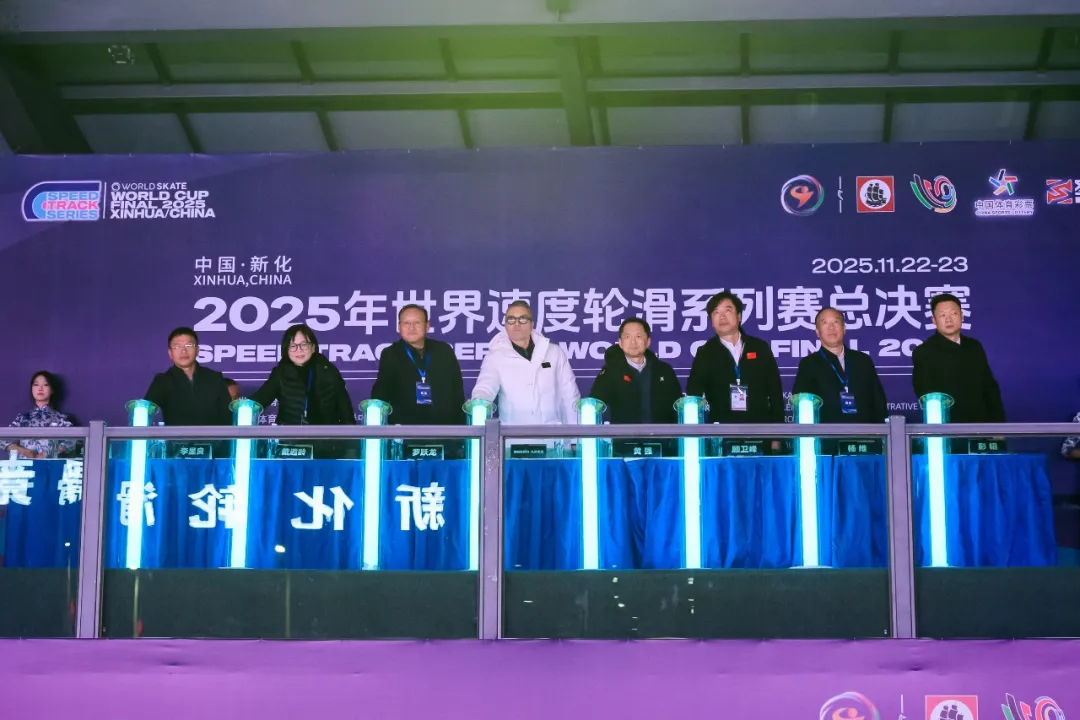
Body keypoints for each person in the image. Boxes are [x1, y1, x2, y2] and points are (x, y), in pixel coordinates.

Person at [471, 300, 580, 425]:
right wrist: (479, 403)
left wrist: (575, 434)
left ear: (532, 324)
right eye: (511, 319)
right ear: (505, 325)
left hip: (552, 433)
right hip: (511, 434)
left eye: (522, 319)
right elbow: (485, 389)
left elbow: (570, 396)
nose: (516, 324)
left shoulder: (554, 352)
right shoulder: (495, 357)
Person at [686, 291, 784, 424]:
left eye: (727, 310)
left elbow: (775, 392)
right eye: (716, 313)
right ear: (712, 323)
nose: (722, 317)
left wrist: (778, 432)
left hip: (760, 427)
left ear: (739, 316)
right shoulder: (705, 353)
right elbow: (693, 395)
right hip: (721, 428)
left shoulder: (760, 348)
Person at [912, 293, 1005, 423]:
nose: (948, 320)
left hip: (981, 424)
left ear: (962, 316)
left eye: (953, 313)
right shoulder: (924, 352)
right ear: (934, 321)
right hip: (947, 426)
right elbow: (927, 395)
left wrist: (998, 425)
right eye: (942, 315)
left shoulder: (974, 347)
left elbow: (990, 388)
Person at [371, 304, 466, 425]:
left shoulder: (444, 351)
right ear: (399, 327)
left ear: (427, 326)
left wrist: (461, 429)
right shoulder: (390, 354)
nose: (412, 327)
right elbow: (381, 394)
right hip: (405, 428)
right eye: (406, 323)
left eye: (417, 322)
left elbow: (457, 393)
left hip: (444, 427)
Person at [792, 307, 888, 423]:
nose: (831, 327)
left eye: (836, 322)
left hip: (864, 432)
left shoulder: (863, 361)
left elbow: (878, 402)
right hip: (826, 432)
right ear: (817, 332)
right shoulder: (808, 364)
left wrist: (882, 431)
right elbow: (802, 406)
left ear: (844, 329)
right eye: (825, 323)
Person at [250, 324, 356, 427]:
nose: (299, 350)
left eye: (304, 344)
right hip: (290, 436)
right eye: (293, 346)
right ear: (286, 349)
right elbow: (260, 399)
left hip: (326, 435)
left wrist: (350, 436)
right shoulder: (281, 373)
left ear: (313, 347)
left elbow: (346, 412)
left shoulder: (329, 371)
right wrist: (245, 408)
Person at [589, 318, 682, 424]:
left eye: (638, 336)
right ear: (620, 343)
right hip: (623, 434)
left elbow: (678, 406)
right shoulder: (610, 372)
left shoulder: (664, 370)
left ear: (648, 341)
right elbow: (594, 405)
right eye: (627, 337)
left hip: (661, 434)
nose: (633, 342)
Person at [144, 327, 232, 426]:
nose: (183, 351)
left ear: (197, 350)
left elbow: (228, 417)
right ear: (170, 353)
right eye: (177, 346)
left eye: (189, 345)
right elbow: (145, 413)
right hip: (176, 436)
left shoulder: (214, 378)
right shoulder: (162, 381)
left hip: (214, 436)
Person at [3, 371, 77, 459]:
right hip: (24, 465)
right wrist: (24, 451)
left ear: (52, 390)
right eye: (36, 385)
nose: (40, 388)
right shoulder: (22, 418)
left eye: (45, 385)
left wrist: (49, 453)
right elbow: (3, 440)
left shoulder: (61, 418)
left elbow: (72, 441)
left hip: (51, 465)